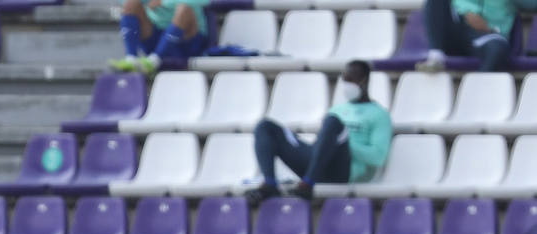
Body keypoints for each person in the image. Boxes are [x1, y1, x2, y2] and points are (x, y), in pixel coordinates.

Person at [246, 60, 392, 205]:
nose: (346, 84)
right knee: (265, 127)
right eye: (344, 80)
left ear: (364, 80)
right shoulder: (337, 109)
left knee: (332, 122)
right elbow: (324, 142)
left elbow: (377, 157)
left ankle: (307, 184)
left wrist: (344, 144)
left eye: (351, 80)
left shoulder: (379, 114)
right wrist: (327, 145)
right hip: (319, 165)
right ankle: (270, 184)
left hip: (344, 171)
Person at [418, 0, 527, 72]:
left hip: (488, 35)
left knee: (497, 49)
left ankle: (476, 91)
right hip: (459, 30)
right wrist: (468, 12)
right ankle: (436, 56)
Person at [110, 0, 211, 76]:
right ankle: (131, 58)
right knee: (131, 4)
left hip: (187, 40)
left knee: (183, 9)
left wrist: (164, 1)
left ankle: (154, 61)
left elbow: (206, 1)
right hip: (156, 35)